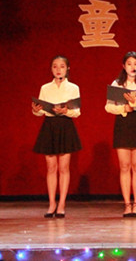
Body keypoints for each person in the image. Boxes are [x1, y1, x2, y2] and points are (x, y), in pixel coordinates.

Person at [32, 55, 82, 218]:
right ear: (51, 69)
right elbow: (40, 111)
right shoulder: (45, 88)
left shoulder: (73, 88)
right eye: (55, 66)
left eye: (62, 66)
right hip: (50, 126)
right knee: (51, 168)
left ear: (68, 69)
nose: (58, 69)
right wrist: (36, 109)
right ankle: (52, 203)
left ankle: (62, 204)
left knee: (64, 168)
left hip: (65, 125)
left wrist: (66, 111)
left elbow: (77, 112)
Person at [106, 51, 136, 218]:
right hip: (123, 123)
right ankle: (127, 204)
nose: (133, 67)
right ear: (124, 66)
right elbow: (108, 106)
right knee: (125, 166)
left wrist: (135, 103)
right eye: (129, 64)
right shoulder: (117, 84)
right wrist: (123, 108)